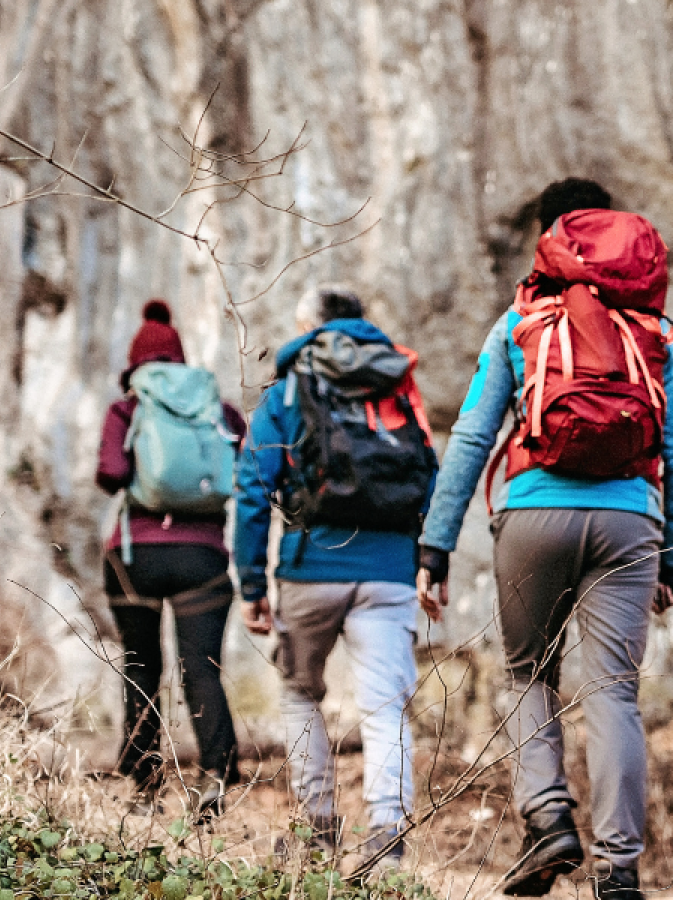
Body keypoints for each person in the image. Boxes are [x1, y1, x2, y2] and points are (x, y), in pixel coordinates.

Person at [416, 178, 673, 900]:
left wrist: (434, 546)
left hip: (534, 514)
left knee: (528, 673)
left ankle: (548, 821)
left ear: (550, 239)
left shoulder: (521, 324)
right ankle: (620, 869)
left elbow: (473, 435)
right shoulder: (658, 335)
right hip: (632, 522)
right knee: (613, 695)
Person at [233, 286, 435, 871]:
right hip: (391, 570)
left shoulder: (292, 384)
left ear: (310, 325)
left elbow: (252, 487)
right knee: (385, 708)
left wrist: (252, 585)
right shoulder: (396, 377)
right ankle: (387, 842)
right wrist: (428, 559)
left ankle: (319, 829)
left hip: (309, 566)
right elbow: (430, 473)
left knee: (299, 692)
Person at [96, 299, 246, 818]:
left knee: (141, 666)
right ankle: (215, 777)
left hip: (135, 557)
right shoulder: (220, 410)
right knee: (201, 668)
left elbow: (110, 473)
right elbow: (242, 477)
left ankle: (145, 787)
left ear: (136, 366)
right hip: (203, 558)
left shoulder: (128, 408)